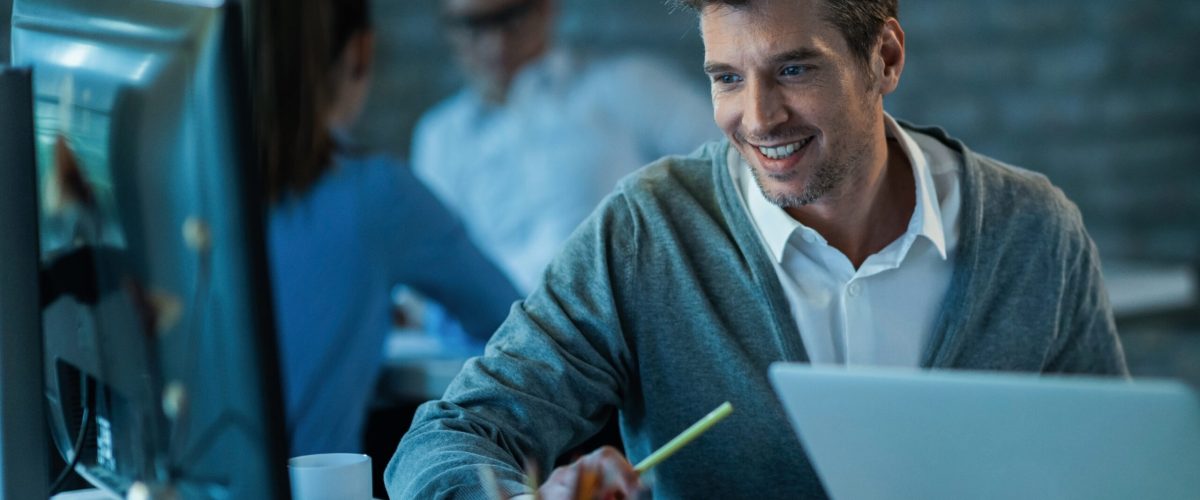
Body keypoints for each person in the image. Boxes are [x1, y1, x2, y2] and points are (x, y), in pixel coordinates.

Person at [386, 0, 1128, 498]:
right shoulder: (649, 232)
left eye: (794, 69)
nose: (758, 118)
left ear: (886, 58)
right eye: (727, 78)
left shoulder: (1035, 232)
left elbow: (1115, 472)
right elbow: (451, 439)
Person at [254, 0, 521, 456]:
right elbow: (513, 322)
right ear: (362, 52)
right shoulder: (378, 192)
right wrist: (425, 310)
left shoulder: (187, 180)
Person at [412, 0, 720, 293]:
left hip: (623, 321)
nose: (496, 43)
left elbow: (731, 161)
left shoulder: (625, 85)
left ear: (546, 8)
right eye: (472, 25)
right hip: (496, 333)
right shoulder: (440, 136)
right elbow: (434, 261)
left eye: (512, 18)